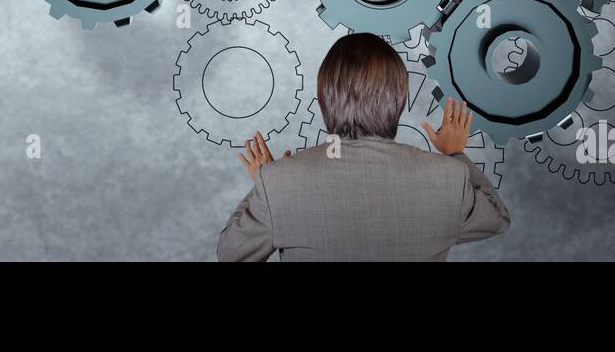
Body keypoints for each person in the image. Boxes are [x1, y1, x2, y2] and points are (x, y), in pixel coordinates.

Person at [217, 32, 510, 261]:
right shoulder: (450, 176)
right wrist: (455, 153)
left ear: (325, 99)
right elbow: (496, 219)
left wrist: (267, 183)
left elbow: (232, 254)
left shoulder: (277, 182)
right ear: (398, 99)